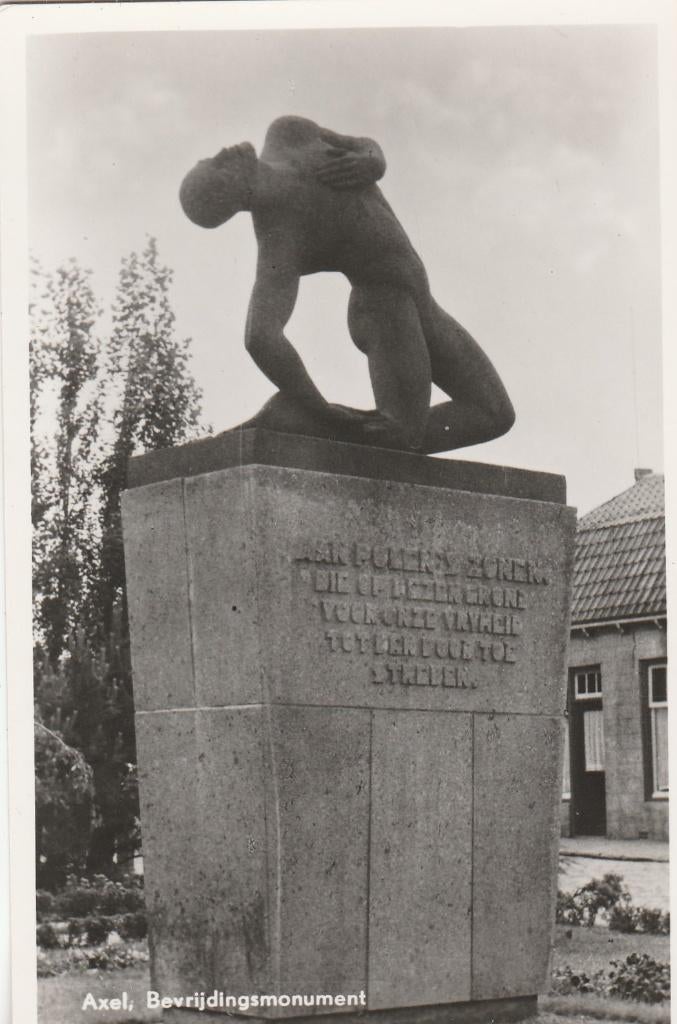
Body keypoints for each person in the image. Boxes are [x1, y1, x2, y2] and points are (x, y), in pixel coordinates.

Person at [179, 115, 515, 452]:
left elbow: (361, 145)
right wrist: (318, 406)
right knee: (400, 437)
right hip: (385, 307)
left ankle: (306, 424)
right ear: (229, 196)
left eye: (210, 158)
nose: (223, 152)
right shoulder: (280, 236)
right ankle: (304, 420)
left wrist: (374, 160)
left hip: (424, 303)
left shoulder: (287, 134)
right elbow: (260, 335)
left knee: (494, 413)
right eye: (217, 167)